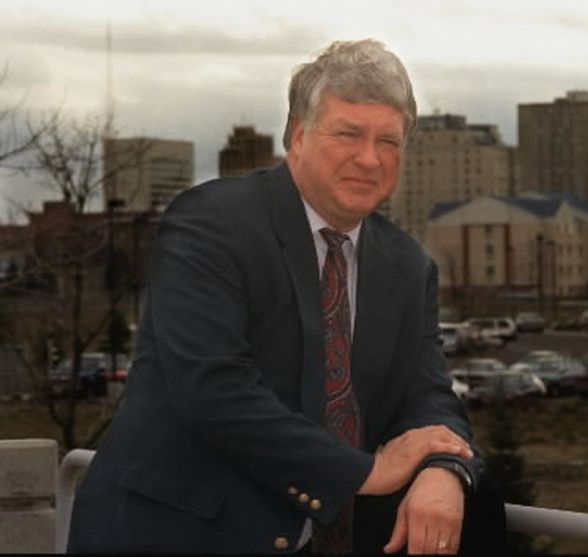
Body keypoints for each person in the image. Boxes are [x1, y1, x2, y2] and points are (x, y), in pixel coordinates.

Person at [67, 39, 504, 555]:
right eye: (348, 134)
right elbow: (214, 390)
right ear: (297, 135)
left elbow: (427, 394)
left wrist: (444, 469)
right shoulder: (211, 225)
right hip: (180, 533)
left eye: (389, 141)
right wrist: (368, 472)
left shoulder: (408, 265)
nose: (369, 158)